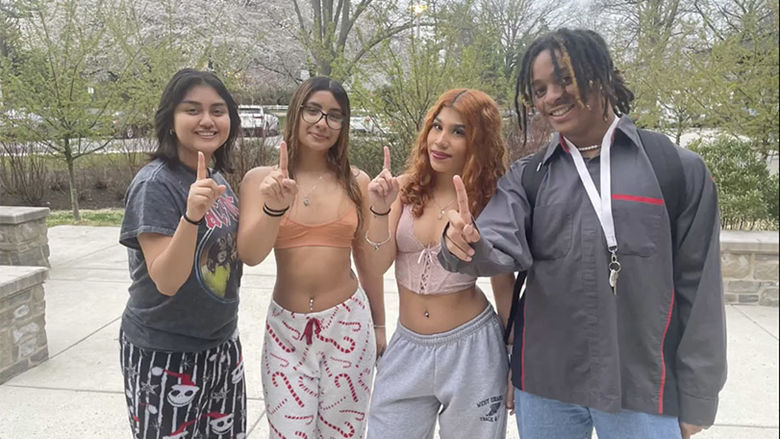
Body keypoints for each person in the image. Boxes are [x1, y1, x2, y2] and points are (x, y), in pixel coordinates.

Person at [439, 28, 727, 439]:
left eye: (564, 79)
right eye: (539, 89)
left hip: (643, 391)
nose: (551, 96)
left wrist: (699, 396)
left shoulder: (675, 169)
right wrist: (465, 244)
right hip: (545, 388)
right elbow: (496, 245)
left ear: (602, 74)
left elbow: (700, 291)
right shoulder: (528, 177)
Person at [237, 76, 385, 438]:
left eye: (335, 116)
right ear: (296, 112)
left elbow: (372, 264)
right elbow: (250, 255)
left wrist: (379, 325)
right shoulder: (261, 181)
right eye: (314, 110)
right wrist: (274, 208)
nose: (322, 123)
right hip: (287, 332)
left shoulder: (357, 182)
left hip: (348, 324)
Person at [365, 88, 513, 438]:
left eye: (458, 131)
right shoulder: (404, 189)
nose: (441, 140)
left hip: (472, 350)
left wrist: (512, 358)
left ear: (479, 141)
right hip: (408, 346)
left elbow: (503, 282)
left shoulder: (490, 199)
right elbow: (375, 265)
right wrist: (380, 209)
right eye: (437, 127)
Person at [118, 69, 246, 438]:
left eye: (217, 110)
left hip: (220, 344)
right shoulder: (154, 185)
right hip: (163, 352)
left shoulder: (217, 180)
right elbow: (167, 279)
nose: (207, 120)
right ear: (171, 120)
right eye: (192, 109)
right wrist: (192, 216)